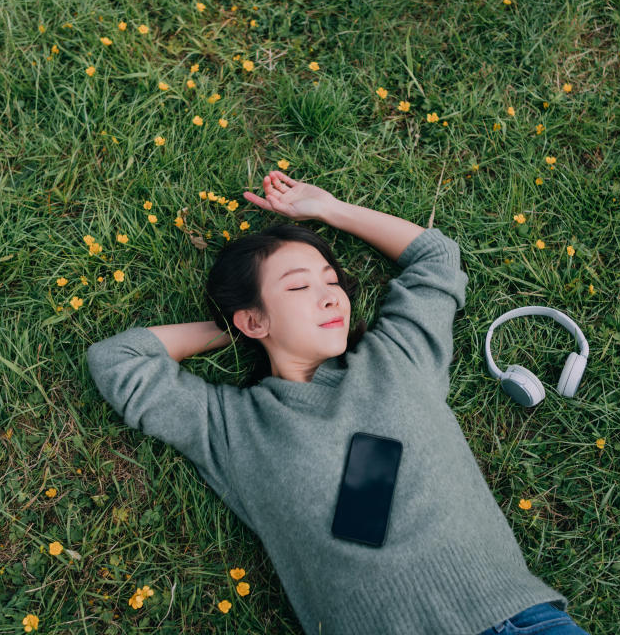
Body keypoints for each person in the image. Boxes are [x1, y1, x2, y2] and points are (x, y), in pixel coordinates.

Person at [86, 171, 589, 634]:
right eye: (300, 286)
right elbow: (118, 360)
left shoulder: (398, 357)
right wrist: (231, 329)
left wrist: (330, 209)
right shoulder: (231, 428)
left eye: (332, 282)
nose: (331, 297)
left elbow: (436, 258)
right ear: (254, 320)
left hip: (524, 620)